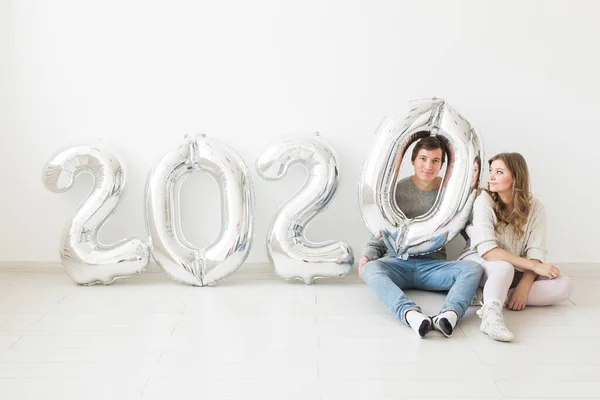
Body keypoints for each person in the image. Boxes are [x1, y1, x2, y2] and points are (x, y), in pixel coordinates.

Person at [359, 136, 483, 338]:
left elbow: (468, 230)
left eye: (435, 160)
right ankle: (411, 315)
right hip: (397, 262)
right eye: (423, 159)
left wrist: (473, 193)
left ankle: (449, 315)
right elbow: (382, 230)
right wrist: (367, 255)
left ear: (442, 165)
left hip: (432, 267)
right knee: (370, 268)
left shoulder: (450, 193)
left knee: (473, 269)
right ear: (413, 161)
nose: (428, 165)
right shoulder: (397, 190)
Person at [459, 152, 573, 342]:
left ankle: (489, 297)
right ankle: (491, 317)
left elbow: (535, 252)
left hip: (515, 271)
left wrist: (524, 286)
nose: (491, 177)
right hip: (480, 263)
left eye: (499, 172)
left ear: (516, 177)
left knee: (564, 285)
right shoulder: (483, 201)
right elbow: (488, 251)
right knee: (504, 267)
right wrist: (534, 267)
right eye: (491, 171)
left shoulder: (536, 208)